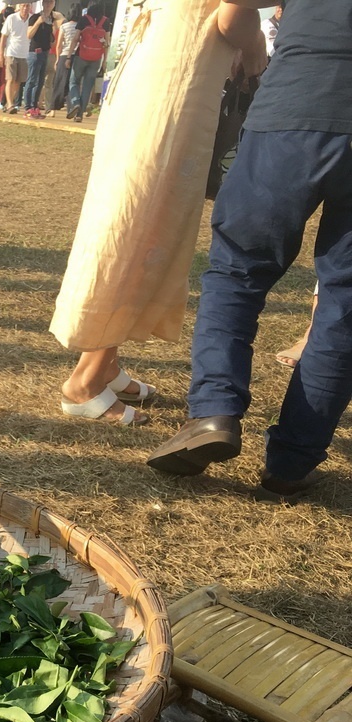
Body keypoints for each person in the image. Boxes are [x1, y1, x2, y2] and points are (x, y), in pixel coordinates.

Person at [148, 1, 347, 502]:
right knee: (346, 302)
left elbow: (231, 14)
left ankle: (214, 411)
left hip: (295, 106)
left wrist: (255, 49)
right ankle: (293, 463)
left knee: (238, 270)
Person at [51, 1, 266, 430]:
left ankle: (104, 363)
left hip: (154, 71)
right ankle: (86, 380)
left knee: (133, 213)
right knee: (144, 222)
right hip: (178, 83)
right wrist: (257, 43)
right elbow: (232, 16)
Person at [66, 3, 107, 121]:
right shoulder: (105, 22)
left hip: (81, 56)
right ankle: (79, 115)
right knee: (87, 86)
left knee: (74, 82)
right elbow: (106, 43)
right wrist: (104, 60)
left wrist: (69, 57)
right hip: (96, 58)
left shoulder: (84, 20)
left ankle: (75, 103)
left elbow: (75, 39)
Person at [23, 0, 55, 118]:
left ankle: (34, 106)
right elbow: (29, 35)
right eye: (46, 2)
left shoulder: (51, 19)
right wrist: (38, 23)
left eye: (50, 2)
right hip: (35, 52)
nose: (48, 5)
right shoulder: (35, 17)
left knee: (40, 81)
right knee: (31, 80)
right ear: (42, 4)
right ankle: (28, 108)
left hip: (45, 53)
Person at [0, 2, 30, 113]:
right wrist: (1, 55)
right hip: (11, 52)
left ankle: (9, 102)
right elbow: (3, 37)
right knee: (10, 79)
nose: (25, 8)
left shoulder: (32, 19)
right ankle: (11, 104)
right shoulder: (12, 18)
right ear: (19, 6)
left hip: (25, 54)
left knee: (18, 82)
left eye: (27, 6)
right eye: (23, 5)